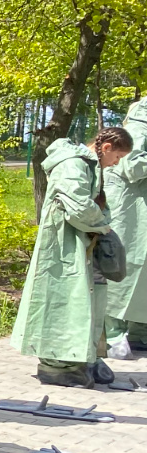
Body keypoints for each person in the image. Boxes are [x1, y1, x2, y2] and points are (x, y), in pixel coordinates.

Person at [12, 128, 133, 388]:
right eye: (119, 156)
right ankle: (58, 364)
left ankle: (84, 355)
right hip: (64, 243)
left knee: (91, 297)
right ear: (108, 147)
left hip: (85, 240)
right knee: (64, 299)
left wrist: (101, 228)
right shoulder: (72, 164)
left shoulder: (90, 166)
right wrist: (103, 225)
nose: (117, 163)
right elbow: (77, 205)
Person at [104, 100, 147, 357]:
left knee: (143, 272)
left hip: (140, 208)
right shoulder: (141, 124)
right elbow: (133, 165)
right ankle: (113, 335)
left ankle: (139, 331)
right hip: (128, 210)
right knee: (125, 267)